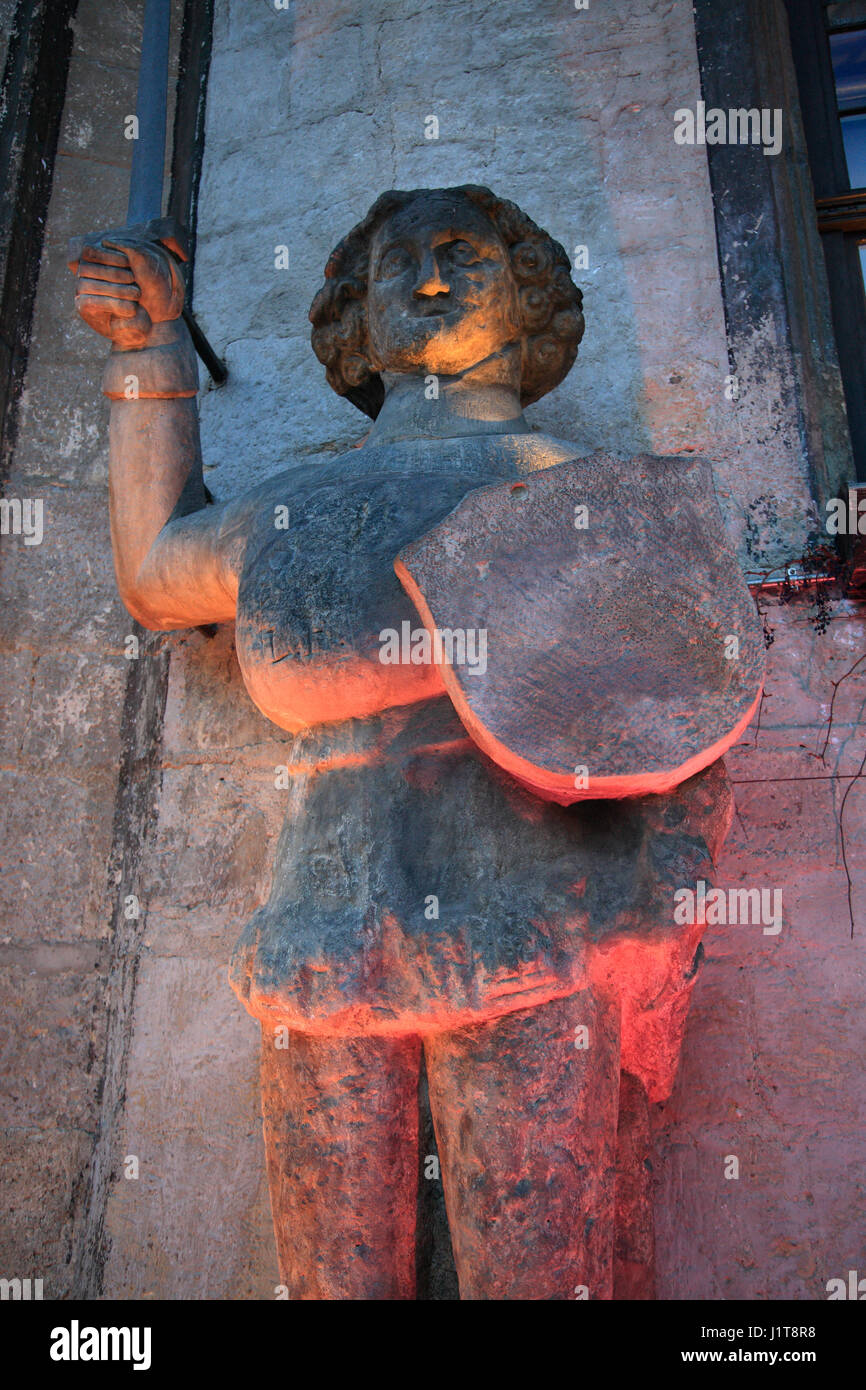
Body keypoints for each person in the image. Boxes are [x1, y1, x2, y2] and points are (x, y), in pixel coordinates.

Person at [71, 185, 733, 1299]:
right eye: (398, 265)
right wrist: (151, 352)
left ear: (526, 301)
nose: (428, 277)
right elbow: (155, 575)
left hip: (523, 927)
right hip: (317, 932)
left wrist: (651, 904)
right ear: (357, 321)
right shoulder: (297, 505)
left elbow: (689, 709)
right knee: (331, 1283)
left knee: (534, 1274)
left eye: (463, 253)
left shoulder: (581, 494)